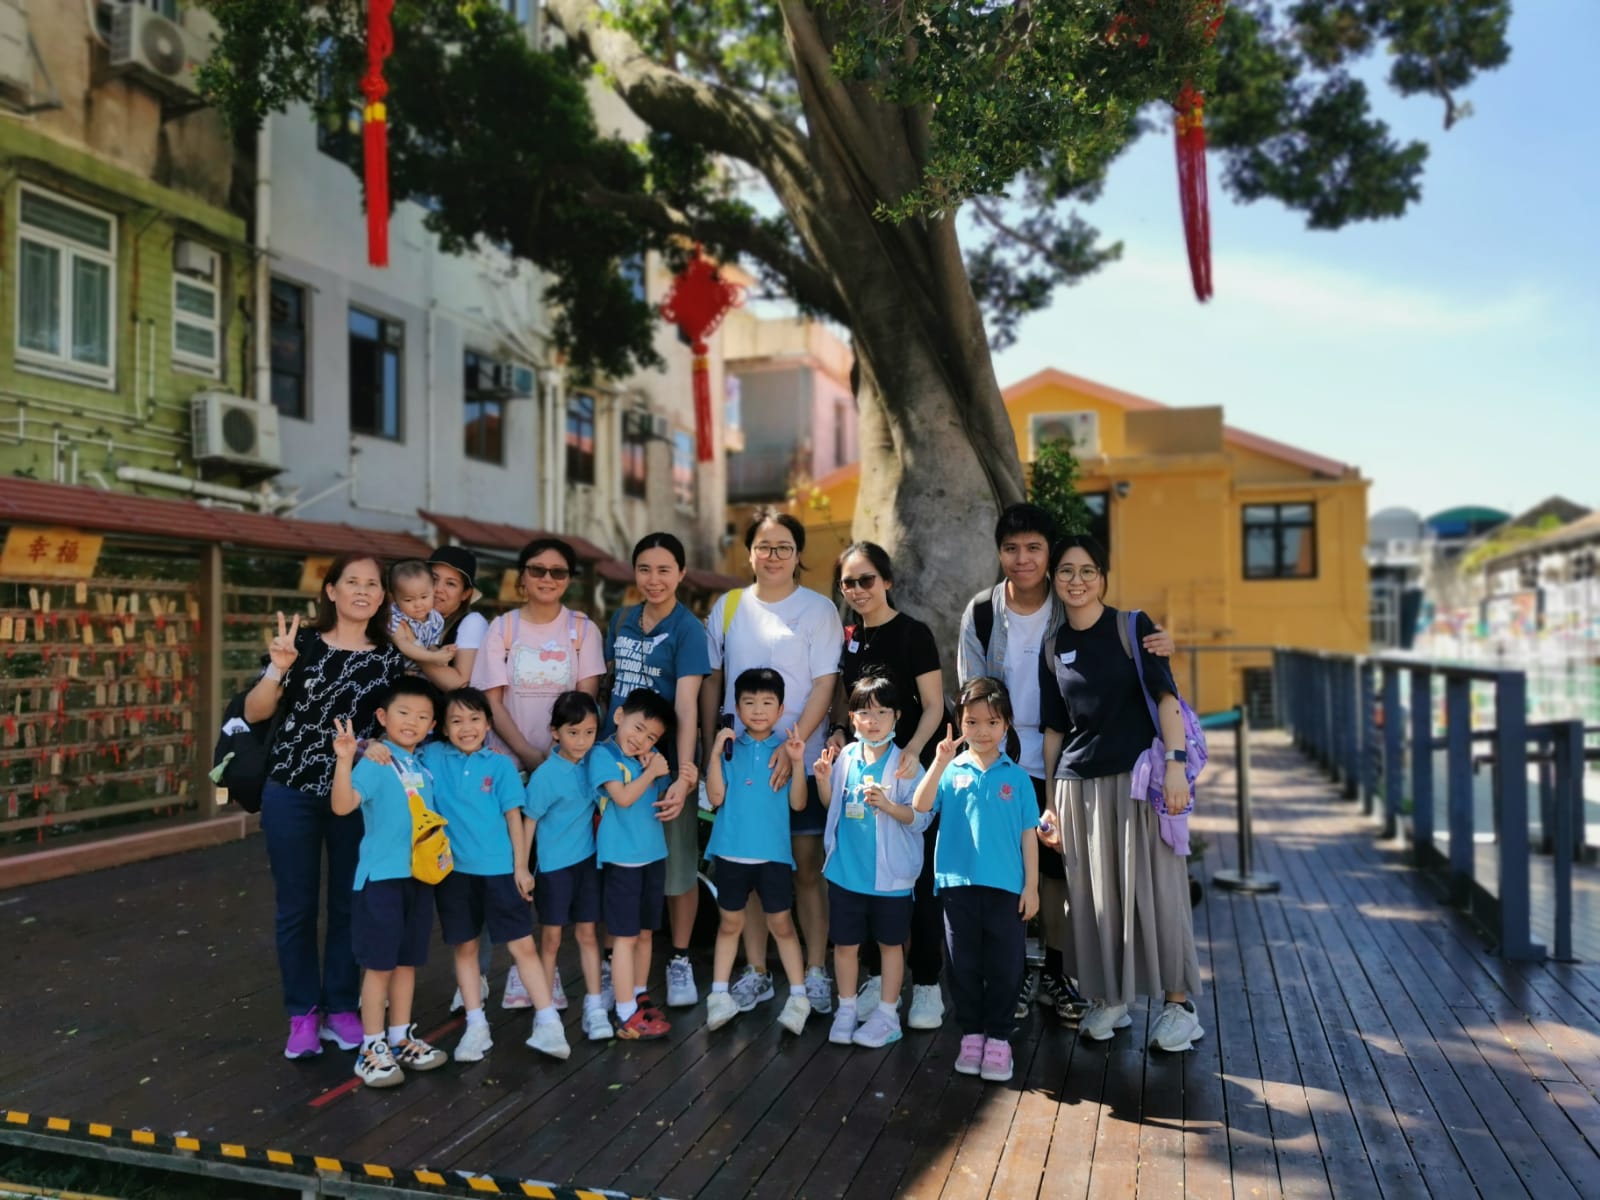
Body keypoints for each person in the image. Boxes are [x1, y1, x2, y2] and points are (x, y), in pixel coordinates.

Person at [956, 503, 1172, 1023]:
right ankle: (1009, 972)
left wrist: (1162, 642)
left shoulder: (1071, 602)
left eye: (1034, 548)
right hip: (1001, 758)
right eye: (1011, 549)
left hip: (1064, 758)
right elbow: (971, 690)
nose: (1022, 559)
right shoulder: (982, 612)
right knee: (1002, 868)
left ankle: (1054, 970)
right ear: (999, 553)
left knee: (1058, 874)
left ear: (1049, 555)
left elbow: (1115, 647)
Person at [247, 553, 435, 1060]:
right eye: (352, 581)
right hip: (291, 789)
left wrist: (377, 744)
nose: (363, 591)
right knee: (296, 907)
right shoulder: (302, 643)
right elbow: (255, 712)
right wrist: (278, 668)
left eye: (372, 584)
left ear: (383, 597)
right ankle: (303, 1013)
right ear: (331, 590)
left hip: (358, 796)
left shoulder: (390, 657)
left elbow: (399, 722)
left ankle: (342, 1006)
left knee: (352, 903)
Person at [1038, 535, 1204, 1051]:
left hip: (1139, 780)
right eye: (1066, 571)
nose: (1077, 581)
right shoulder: (1052, 646)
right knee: (1095, 901)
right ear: (1054, 580)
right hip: (1077, 786)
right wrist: (1050, 803)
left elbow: (1166, 698)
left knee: (1159, 890)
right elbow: (1054, 731)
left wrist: (1175, 766)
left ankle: (1179, 1007)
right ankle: (1111, 997)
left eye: (1087, 570)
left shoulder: (1133, 626)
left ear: (1103, 577)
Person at [363, 686, 571, 1063]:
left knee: (522, 945)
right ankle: (476, 1025)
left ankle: (548, 1022)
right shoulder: (430, 757)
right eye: (456, 721)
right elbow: (394, 753)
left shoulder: (500, 766)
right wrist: (370, 745)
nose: (466, 728)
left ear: (489, 725)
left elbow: (514, 817)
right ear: (442, 728)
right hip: (452, 873)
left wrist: (521, 868)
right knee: (465, 947)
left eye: (475, 719)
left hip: (499, 870)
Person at [702, 509, 842, 1018]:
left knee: (805, 868)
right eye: (764, 546)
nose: (774, 555)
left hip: (800, 760)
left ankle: (816, 970)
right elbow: (714, 680)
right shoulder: (729, 606)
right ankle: (757, 971)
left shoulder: (819, 609)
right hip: (743, 763)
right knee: (749, 869)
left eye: (784, 546)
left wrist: (793, 742)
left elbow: (826, 683)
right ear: (750, 554)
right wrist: (711, 745)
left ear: (799, 554)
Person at [471, 536, 605, 1006]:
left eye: (558, 571)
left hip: (567, 770)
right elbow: (491, 702)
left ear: (569, 580)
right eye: (537, 570)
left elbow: (587, 701)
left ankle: (544, 971)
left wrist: (557, 757)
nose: (547, 579)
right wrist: (529, 754)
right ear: (522, 576)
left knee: (557, 866)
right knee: (514, 865)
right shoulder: (502, 628)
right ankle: (518, 965)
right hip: (510, 767)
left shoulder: (583, 630)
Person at [826, 541, 946, 1029]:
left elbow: (935, 705)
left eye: (866, 580)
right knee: (868, 875)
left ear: (887, 581)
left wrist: (913, 750)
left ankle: (929, 985)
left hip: (910, 773)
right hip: (864, 770)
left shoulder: (914, 633)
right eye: (848, 583)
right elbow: (848, 701)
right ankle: (877, 979)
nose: (857, 590)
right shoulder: (850, 637)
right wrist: (839, 732)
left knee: (918, 880)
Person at [913, 679, 1040, 1084]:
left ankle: (999, 1038)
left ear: (1007, 725)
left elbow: (1029, 835)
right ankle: (971, 1034)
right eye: (972, 722)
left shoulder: (1018, 778)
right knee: (962, 965)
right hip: (957, 886)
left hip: (1006, 890)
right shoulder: (951, 770)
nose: (982, 731)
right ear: (959, 722)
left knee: (1005, 966)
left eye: (992, 722)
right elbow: (920, 804)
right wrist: (939, 762)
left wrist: (1031, 886)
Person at [329, 679, 450, 1088]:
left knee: (406, 962)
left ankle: (400, 1038)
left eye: (422, 716)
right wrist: (346, 758)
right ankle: (371, 1046)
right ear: (382, 717)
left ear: (432, 726)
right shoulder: (376, 762)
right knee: (379, 966)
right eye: (403, 713)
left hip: (418, 877)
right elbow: (343, 805)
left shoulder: (422, 766)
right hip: (381, 879)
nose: (412, 722)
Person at [604, 533, 708, 1009]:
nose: (654, 579)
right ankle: (614, 961)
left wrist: (684, 775)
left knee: (677, 866)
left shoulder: (688, 629)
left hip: (662, 764)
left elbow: (686, 706)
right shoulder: (621, 620)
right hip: (615, 764)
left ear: (681, 574)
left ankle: (680, 958)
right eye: (645, 569)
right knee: (616, 865)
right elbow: (610, 687)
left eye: (665, 569)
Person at [813, 675, 931, 1050]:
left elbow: (922, 818)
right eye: (865, 713)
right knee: (845, 945)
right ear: (852, 718)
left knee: (891, 945)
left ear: (897, 717)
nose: (873, 720)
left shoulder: (906, 765)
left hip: (890, 878)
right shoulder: (847, 756)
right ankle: (847, 1009)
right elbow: (832, 806)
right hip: (846, 874)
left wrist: (889, 806)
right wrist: (823, 781)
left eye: (882, 712)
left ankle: (887, 1015)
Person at [703, 668, 812, 1036]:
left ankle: (798, 997)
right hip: (730, 853)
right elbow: (715, 797)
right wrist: (715, 753)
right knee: (729, 924)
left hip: (773, 856)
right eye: (749, 702)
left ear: (781, 709)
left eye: (767, 703)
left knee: (782, 924)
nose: (758, 710)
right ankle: (719, 995)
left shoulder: (784, 749)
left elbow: (798, 804)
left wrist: (797, 762)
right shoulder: (730, 748)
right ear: (737, 708)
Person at [522, 691, 612, 1043]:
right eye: (573, 732)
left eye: (589, 732)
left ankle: (594, 1006)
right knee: (552, 939)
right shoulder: (545, 776)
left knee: (588, 934)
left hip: (587, 864)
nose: (581, 741)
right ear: (555, 732)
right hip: (553, 869)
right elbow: (529, 821)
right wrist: (522, 868)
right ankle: (544, 1012)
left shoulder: (595, 764)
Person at [591, 688, 678, 1038]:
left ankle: (639, 995)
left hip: (653, 854)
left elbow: (664, 791)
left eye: (652, 736)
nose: (642, 740)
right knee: (625, 937)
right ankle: (626, 1011)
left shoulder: (651, 759)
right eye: (638, 728)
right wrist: (652, 771)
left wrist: (669, 776)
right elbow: (623, 797)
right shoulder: (603, 754)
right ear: (619, 717)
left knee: (645, 933)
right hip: (621, 858)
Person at [387, 559, 451, 669]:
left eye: (424, 597)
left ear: (433, 590)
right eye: (408, 600)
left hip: (422, 671)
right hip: (395, 670)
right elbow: (403, 644)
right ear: (394, 598)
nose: (418, 604)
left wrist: (441, 654)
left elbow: (431, 646)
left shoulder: (436, 619)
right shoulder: (395, 616)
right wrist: (432, 657)